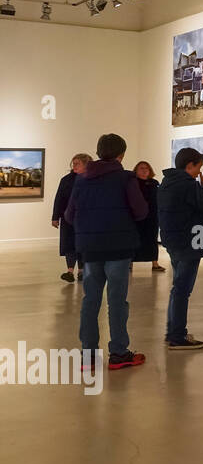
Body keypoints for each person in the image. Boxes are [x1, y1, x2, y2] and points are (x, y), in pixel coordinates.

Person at [64, 133, 147, 371]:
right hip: (119, 248)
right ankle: (119, 353)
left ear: (99, 153)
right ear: (121, 154)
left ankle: (88, 356)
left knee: (90, 301)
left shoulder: (81, 180)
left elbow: (69, 215)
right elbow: (140, 211)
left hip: (90, 250)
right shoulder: (126, 178)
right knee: (117, 301)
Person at [157, 148, 203, 351]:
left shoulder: (168, 183)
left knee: (178, 287)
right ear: (190, 165)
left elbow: (190, 207)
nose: (199, 172)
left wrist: (201, 188)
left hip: (173, 240)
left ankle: (174, 331)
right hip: (190, 241)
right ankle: (177, 336)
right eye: (198, 167)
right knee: (182, 289)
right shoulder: (187, 185)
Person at [51, 153, 91, 283]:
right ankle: (69, 271)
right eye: (73, 163)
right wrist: (55, 217)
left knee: (82, 244)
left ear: (86, 164)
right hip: (68, 217)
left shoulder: (92, 179)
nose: (74, 166)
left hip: (85, 218)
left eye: (77, 163)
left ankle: (81, 270)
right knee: (69, 244)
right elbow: (59, 199)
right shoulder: (66, 180)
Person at [131, 161, 165, 273]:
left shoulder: (154, 183)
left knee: (152, 239)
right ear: (136, 170)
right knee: (134, 239)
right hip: (136, 216)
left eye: (147, 168)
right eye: (141, 168)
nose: (145, 170)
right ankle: (130, 263)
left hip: (152, 217)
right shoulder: (132, 183)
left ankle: (155, 263)